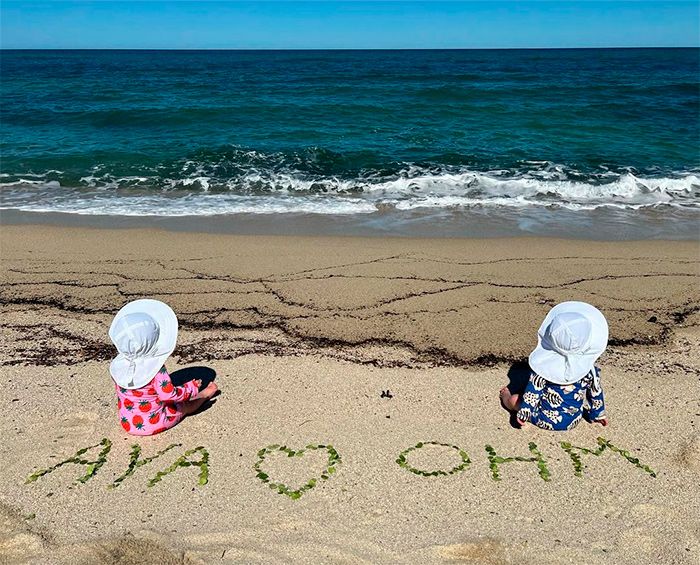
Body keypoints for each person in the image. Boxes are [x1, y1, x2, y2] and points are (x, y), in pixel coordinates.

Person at [109, 299, 218, 435]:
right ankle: (205, 395)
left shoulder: (118, 366)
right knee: (184, 406)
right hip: (154, 423)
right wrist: (191, 388)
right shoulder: (156, 370)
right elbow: (169, 396)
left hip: (127, 422)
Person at [500, 301, 609, 431]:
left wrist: (524, 413)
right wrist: (598, 415)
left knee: (514, 400)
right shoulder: (589, 370)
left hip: (545, 419)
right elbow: (595, 392)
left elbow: (533, 394)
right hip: (574, 419)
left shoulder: (543, 369)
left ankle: (504, 397)